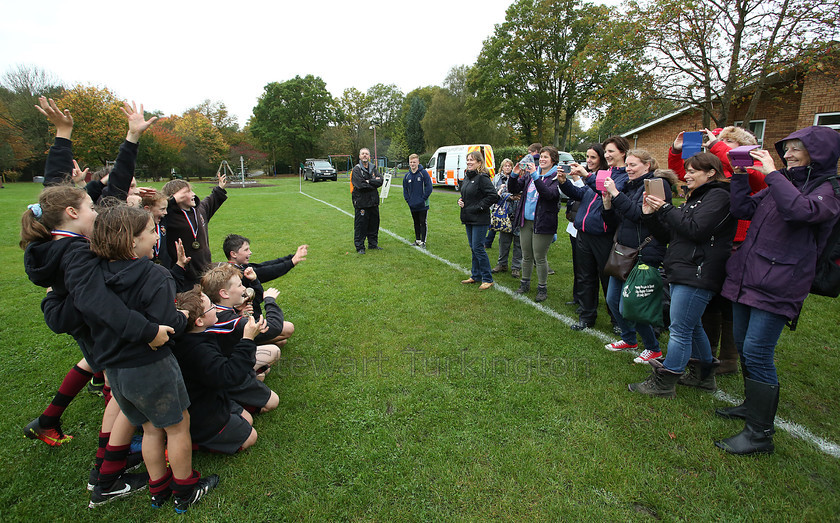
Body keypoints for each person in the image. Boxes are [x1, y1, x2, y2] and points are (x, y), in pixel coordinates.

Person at [715, 126, 840, 456]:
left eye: (797, 148)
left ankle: (759, 434)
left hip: (781, 283)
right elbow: (743, 210)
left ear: (820, 153)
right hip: (749, 275)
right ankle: (749, 405)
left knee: (757, 351)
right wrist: (741, 175)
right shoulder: (782, 182)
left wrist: (772, 174)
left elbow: (801, 211)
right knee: (743, 344)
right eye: (787, 149)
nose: (788, 155)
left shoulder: (828, 189)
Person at [85, 204, 218, 512]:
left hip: (116, 370)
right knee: (177, 426)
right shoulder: (154, 275)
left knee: (148, 427)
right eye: (149, 231)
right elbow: (166, 327)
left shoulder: (96, 274)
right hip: (150, 366)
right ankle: (185, 490)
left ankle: (158, 489)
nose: (156, 235)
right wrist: (183, 316)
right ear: (131, 240)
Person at [629, 152, 736, 398]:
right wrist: (651, 214)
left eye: (692, 171)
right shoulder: (694, 198)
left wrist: (665, 208)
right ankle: (703, 376)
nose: (686, 176)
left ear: (711, 172)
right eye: (686, 171)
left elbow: (695, 230)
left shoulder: (719, 196)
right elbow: (670, 235)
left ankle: (664, 382)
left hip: (698, 272)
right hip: (682, 268)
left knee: (679, 328)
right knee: (691, 324)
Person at [670, 126, 768, 375]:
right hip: (706, 244)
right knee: (707, 305)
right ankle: (706, 354)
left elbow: (753, 177)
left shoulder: (751, 168)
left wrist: (716, 146)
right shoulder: (715, 172)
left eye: (729, 145)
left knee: (729, 303)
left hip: (739, 242)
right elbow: (682, 172)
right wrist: (677, 150)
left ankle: (729, 358)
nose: (722, 149)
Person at [173, 286, 264, 454]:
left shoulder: (196, 335)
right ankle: (195, 443)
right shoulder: (198, 350)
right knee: (250, 437)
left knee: (248, 419)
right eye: (211, 307)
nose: (216, 307)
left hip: (213, 397)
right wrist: (247, 339)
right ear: (199, 321)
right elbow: (229, 376)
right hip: (203, 414)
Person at [602, 148, 672, 359]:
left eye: (633, 165)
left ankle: (653, 347)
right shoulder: (630, 186)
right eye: (627, 165)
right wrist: (607, 206)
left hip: (644, 254)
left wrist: (615, 194)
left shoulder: (657, 186)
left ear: (647, 166)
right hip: (623, 252)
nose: (628, 169)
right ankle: (630, 339)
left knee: (632, 304)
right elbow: (617, 221)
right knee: (613, 300)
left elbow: (640, 216)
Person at [201, 264, 281, 412]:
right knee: (273, 402)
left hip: (229, 361)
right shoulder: (234, 323)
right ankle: (233, 400)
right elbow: (275, 327)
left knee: (273, 352)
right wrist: (269, 300)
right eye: (239, 285)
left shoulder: (215, 312)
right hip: (229, 373)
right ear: (224, 293)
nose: (244, 288)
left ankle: (250, 379)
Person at [559, 143, 618, 331]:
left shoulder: (605, 177)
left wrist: (586, 175)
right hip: (583, 234)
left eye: (593, 157)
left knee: (607, 278)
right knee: (585, 277)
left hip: (602, 235)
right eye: (587, 157)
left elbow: (603, 192)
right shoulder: (590, 180)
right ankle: (586, 316)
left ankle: (616, 320)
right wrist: (563, 182)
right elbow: (579, 194)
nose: (589, 160)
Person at [509, 146, 562, 301]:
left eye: (547, 157)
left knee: (539, 257)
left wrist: (535, 176)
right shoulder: (530, 175)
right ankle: (524, 284)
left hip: (543, 222)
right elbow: (513, 189)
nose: (543, 159)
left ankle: (542, 288)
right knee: (526, 255)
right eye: (542, 156)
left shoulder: (555, 177)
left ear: (553, 160)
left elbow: (548, 195)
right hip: (526, 221)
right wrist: (514, 173)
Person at [162, 174, 228, 286]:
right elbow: (159, 207)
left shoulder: (199, 210)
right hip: (184, 272)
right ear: (174, 196)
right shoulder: (167, 215)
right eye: (187, 192)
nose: (193, 194)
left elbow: (212, 200)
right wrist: (172, 201)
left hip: (204, 266)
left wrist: (220, 187)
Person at [458, 150, 498, 290]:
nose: (469, 162)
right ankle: (475, 275)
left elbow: (493, 196)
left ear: (479, 162)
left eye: (472, 160)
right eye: (468, 159)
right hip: (468, 217)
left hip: (480, 219)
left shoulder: (482, 178)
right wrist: (461, 200)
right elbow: (466, 194)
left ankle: (487, 278)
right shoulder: (468, 177)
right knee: (473, 248)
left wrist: (478, 207)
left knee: (478, 248)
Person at [490, 158, 522, 278]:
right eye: (505, 166)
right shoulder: (499, 179)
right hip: (505, 213)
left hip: (518, 214)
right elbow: (496, 193)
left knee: (518, 243)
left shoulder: (520, 178)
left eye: (510, 166)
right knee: (503, 241)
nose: (507, 168)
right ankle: (502, 264)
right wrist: (509, 196)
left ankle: (516, 267)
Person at [351, 148, 383, 254]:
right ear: (359, 156)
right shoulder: (356, 169)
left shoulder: (373, 168)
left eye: (367, 154)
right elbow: (360, 185)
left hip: (373, 202)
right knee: (361, 226)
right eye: (363, 154)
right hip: (362, 203)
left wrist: (369, 181)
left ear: (369, 156)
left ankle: (373, 244)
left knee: (374, 224)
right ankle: (360, 247)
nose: (365, 155)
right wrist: (373, 183)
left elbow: (381, 181)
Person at [403, 153, 433, 248]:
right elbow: (405, 189)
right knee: (415, 222)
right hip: (412, 204)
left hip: (422, 204)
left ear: (418, 162)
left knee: (422, 222)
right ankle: (417, 240)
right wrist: (408, 200)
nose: (412, 164)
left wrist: (423, 198)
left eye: (414, 162)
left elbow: (429, 187)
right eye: (411, 162)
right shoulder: (407, 176)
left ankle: (423, 241)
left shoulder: (423, 173)